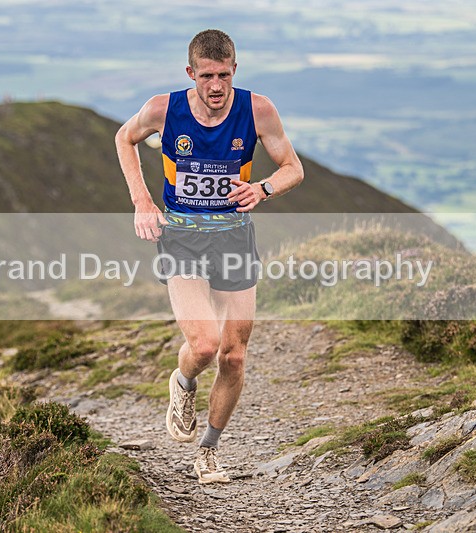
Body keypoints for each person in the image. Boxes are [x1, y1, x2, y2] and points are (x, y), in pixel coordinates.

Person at [115, 29, 303, 484]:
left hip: (234, 238)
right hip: (181, 238)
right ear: (190, 74)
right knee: (204, 345)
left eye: (223, 75)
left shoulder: (258, 110)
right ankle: (182, 383)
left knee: (234, 356)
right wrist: (142, 201)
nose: (216, 86)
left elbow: (293, 168)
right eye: (206, 76)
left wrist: (262, 188)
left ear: (234, 71)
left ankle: (209, 451)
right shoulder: (165, 108)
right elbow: (125, 139)